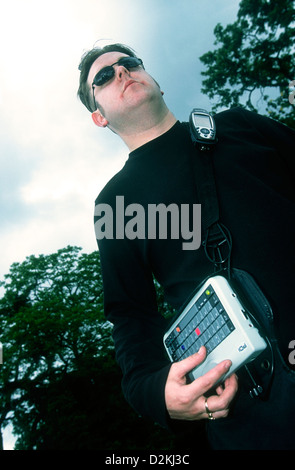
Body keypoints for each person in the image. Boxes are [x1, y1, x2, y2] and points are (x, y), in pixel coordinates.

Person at [77, 43, 295, 450]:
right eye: (103, 78)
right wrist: (155, 392)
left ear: (155, 81)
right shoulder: (115, 203)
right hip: (253, 401)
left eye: (129, 64)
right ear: (99, 117)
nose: (121, 73)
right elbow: (129, 315)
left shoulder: (239, 125)